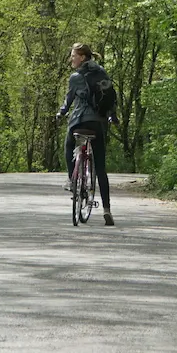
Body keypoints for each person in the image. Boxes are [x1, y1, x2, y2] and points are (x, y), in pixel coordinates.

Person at [56, 42, 115, 226]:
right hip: (98, 123)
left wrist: (61, 113)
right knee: (101, 168)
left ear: (82, 57)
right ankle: (107, 210)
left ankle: (72, 181)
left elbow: (68, 100)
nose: (71, 59)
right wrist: (113, 116)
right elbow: (111, 97)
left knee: (68, 145)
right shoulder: (102, 73)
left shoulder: (76, 77)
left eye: (73, 56)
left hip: (79, 121)